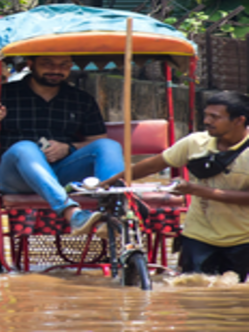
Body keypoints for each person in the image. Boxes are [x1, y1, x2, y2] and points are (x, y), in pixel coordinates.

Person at [0, 55, 124, 236]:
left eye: (63, 65)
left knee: (108, 145)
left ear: (70, 67)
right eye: (48, 64)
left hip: (62, 171)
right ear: (30, 64)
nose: (56, 70)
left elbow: (96, 141)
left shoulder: (81, 99)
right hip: (15, 176)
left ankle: (115, 213)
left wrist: (68, 148)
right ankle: (72, 213)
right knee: (25, 147)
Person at [101, 91, 249, 282]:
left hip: (242, 238)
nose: (206, 121)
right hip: (198, 234)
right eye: (206, 115)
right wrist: (110, 182)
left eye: (215, 117)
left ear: (239, 120)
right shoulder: (195, 142)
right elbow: (154, 164)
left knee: (236, 300)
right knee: (194, 292)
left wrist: (196, 190)